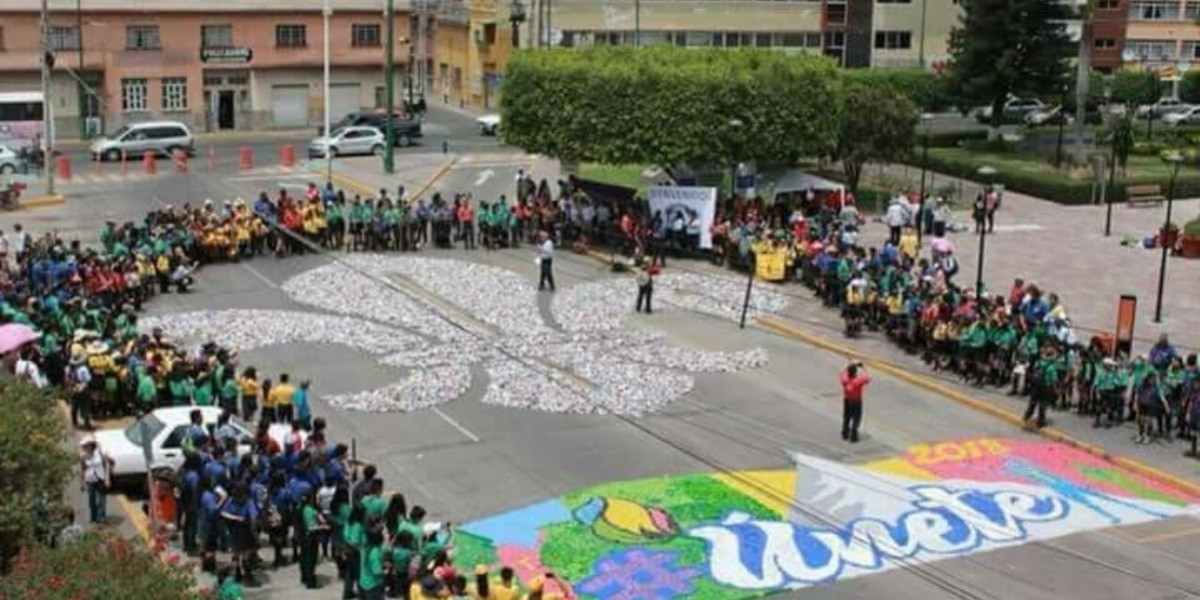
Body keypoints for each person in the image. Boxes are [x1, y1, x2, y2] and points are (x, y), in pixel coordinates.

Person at [79, 436, 113, 525]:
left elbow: (107, 466)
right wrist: (82, 483)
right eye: (85, 446)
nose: (87, 448)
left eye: (88, 446)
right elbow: (82, 470)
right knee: (92, 500)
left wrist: (107, 479)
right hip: (90, 481)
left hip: (100, 479)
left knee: (102, 500)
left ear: (92, 446)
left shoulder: (100, 454)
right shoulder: (83, 457)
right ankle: (94, 517)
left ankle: (102, 518)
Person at [838, 362, 870, 443]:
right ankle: (853, 436)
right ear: (855, 372)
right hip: (856, 402)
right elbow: (868, 377)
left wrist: (850, 366)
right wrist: (863, 367)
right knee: (856, 418)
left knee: (847, 417)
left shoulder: (844, 379)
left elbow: (842, 372)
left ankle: (844, 433)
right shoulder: (858, 381)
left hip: (847, 400)